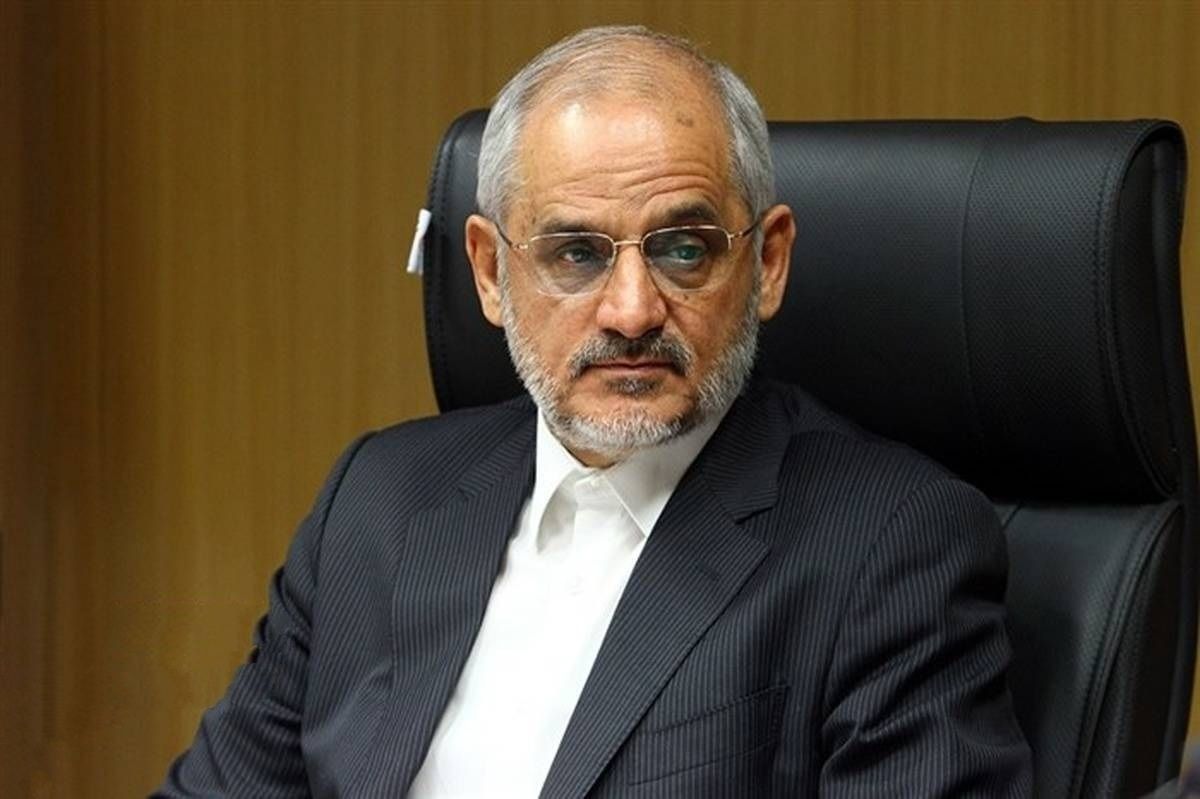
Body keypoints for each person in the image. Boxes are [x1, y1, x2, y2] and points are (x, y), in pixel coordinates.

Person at [157, 25, 1032, 797]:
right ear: (491, 273)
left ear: (766, 263)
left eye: (683, 249)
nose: (632, 311)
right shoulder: (377, 500)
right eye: (576, 253)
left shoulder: (890, 547)